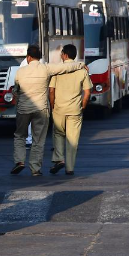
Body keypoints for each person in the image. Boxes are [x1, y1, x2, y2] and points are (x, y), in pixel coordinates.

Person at [11, 45, 85, 176]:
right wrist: (80, 65)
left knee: (20, 136)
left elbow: (16, 90)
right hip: (41, 109)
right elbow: (66, 67)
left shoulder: (20, 72)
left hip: (23, 109)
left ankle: (20, 161)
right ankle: (35, 169)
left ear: (28, 57)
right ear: (39, 58)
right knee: (38, 139)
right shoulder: (46, 69)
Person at [48, 44, 92, 175]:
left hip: (59, 108)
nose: (61, 56)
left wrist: (52, 106)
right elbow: (88, 92)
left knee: (58, 134)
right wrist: (83, 106)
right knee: (73, 139)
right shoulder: (83, 71)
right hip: (75, 109)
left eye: (61, 54)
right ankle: (70, 168)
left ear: (65, 55)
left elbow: (51, 91)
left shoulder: (58, 71)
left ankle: (59, 158)